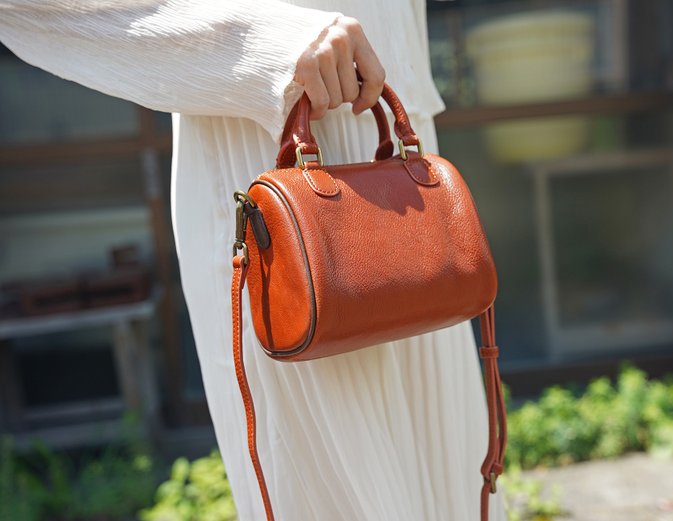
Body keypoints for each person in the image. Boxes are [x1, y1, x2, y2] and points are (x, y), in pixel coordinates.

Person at [0, 1, 507, 519]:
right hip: (262, 153)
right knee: (333, 485)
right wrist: (264, 40)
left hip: (402, 181)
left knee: (445, 474)